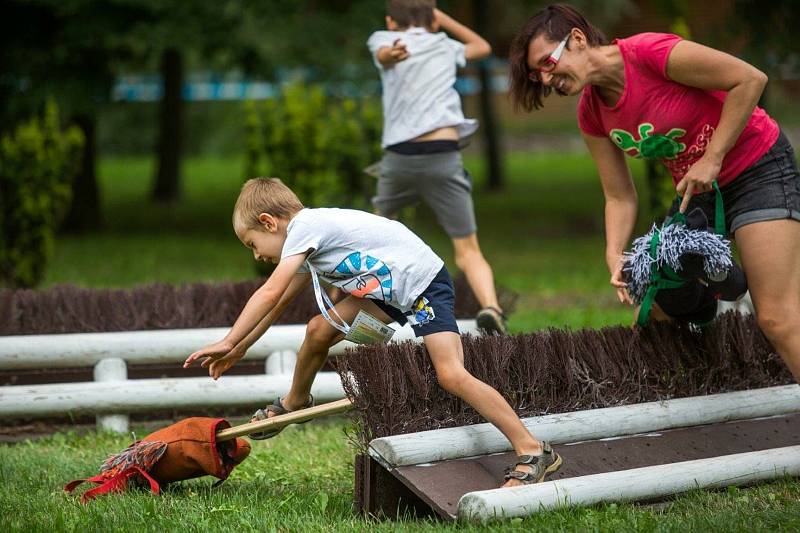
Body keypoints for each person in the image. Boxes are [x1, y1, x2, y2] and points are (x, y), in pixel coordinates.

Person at [183, 178, 563, 487]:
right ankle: (296, 403)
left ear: (269, 222)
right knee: (318, 329)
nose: (256, 255)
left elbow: (267, 292)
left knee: (451, 374)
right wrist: (241, 349)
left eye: (253, 244)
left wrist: (229, 339)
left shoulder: (305, 227)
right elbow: (278, 303)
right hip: (387, 293)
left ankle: (531, 449)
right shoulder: (305, 242)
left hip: (422, 286)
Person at [508, 4, 800, 382]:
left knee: (776, 318)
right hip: (699, 192)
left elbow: (749, 80)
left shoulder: (650, 53)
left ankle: (728, 283)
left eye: (547, 63)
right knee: (654, 304)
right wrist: (614, 253)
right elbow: (618, 196)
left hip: (757, 167)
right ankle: (687, 396)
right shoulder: (592, 113)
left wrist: (713, 157)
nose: (545, 79)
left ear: (577, 39)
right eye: (537, 75)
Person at [366, 0, 508, 334]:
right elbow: (483, 47)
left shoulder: (381, 38)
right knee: (468, 249)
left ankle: (339, 309)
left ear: (390, 20)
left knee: (368, 238)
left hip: (399, 159)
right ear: (432, 19)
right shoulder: (444, 43)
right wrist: (440, 20)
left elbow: (384, 53)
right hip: (443, 155)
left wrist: (393, 54)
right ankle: (492, 307)